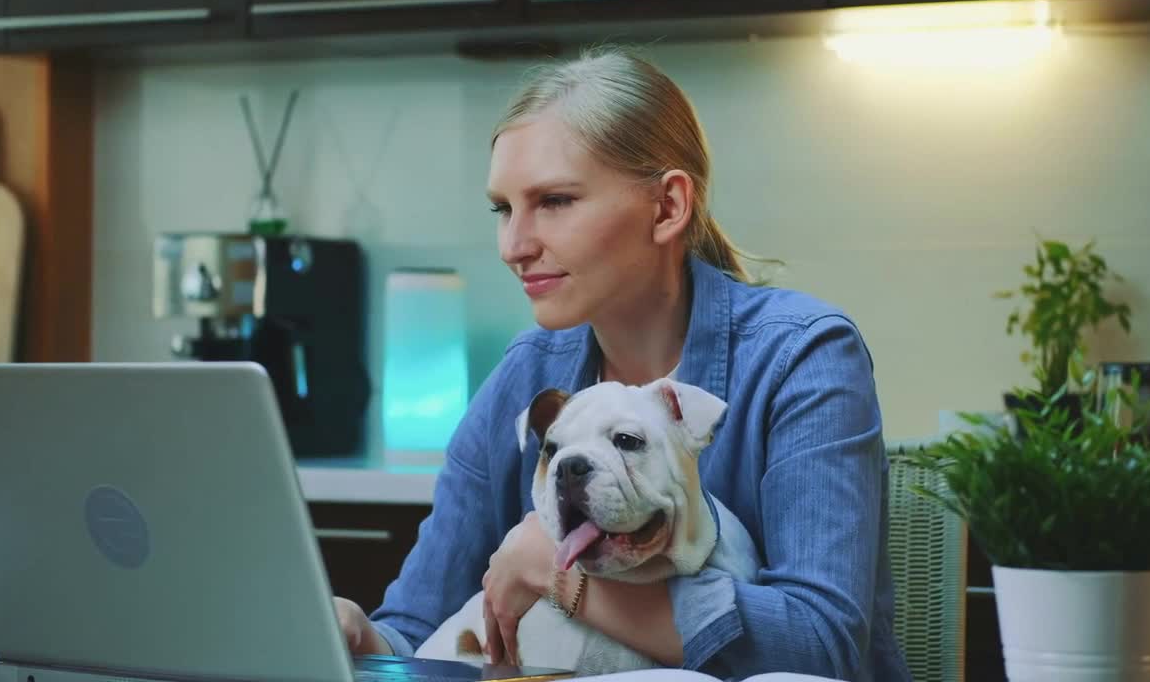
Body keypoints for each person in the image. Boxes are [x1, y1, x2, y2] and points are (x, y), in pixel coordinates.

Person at [332, 47, 913, 682]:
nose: (514, 246)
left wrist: (563, 577)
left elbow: (819, 646)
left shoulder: (803, 355)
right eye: (503, 208)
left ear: (668, 207)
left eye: (554, 201)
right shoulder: (525, 374)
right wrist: (365, 637)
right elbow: (421, 628)